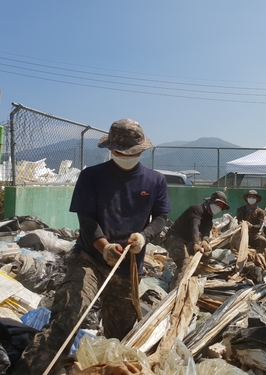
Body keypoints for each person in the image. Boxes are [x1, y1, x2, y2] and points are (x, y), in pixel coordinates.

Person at [13, 119, 171, 375]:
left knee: (120, 336)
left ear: (141, 150)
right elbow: (86, 219)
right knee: (67, 319)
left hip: (128, 266)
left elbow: (162, 217)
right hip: (89, 259)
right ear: (111, 149)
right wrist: (104, 247)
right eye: (121, 151)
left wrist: (144, 236)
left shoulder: (155, 181)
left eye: (132, 152)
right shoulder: (92, 176)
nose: (127, 156)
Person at [162, 191, 230, 287]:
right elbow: (195, 227)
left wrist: (205, 241)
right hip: (174, 239)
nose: (219, 207)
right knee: (184, 264)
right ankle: (175, 291)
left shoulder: (208, 218)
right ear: (211, 201)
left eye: (221, 206)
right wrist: (195, 243)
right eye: (217, 204)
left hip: (188, 241)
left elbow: (206, 231)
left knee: (207, 253)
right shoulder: (197, 209)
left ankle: (193, 274)